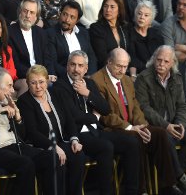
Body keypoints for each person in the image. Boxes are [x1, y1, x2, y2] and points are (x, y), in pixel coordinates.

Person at [92, 48, 186, 195]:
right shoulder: (97, 80)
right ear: (109, 62)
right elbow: (105, 115)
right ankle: (140, 190)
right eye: (118, 66)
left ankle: (168, 185)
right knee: (136, 138)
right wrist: (130, 127)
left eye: (125, 66)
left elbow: (136, 107)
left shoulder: (126, 80)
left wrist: (142, 125)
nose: (122, 70)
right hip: (113, 129)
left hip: (133, 126)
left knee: (159, 134)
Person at [53, 50, 141, 195]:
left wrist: (87, 93)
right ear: (67, 66)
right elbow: (73, 116)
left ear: (86, 68)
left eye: (80, 66)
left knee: (131, 141)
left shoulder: (90, 83)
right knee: (105, 147)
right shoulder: (60, 86)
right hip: (78, 134)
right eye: (73, 65)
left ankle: (132, 191)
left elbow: (105, 109)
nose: (76, 69)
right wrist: (94, 117)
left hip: (96, 131)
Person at [0, 68, 60, 195]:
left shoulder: (7, 101)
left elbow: (23, 135)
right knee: (26, 164)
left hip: (16, 145)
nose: (13, 91)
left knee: (51, 158)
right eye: (9, 86)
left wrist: (18, 116)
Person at [135, 45, 186, 194]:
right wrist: (166, 125)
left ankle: (178, 175)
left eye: (166, 61)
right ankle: (176, 178)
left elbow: (182, 105)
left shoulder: (176, 78)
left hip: (173, 124)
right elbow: (144, 109)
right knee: (166, 138)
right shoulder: (143, 78)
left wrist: (179, 124)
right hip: (155, 128)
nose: (161, 64)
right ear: (154, 60)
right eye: (159, 60)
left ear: (172, 63)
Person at [17, 65, 85, 195]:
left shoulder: (56, 94)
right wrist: (52, 146)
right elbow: (32, 132)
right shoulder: (24, 101)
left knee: (78, 155)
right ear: (27, 83)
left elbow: (69, 120)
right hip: (40, 146)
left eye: (41, 82)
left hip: (61, 142)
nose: (38, 87)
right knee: (57, 159)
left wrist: (74, 139)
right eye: (33, 83)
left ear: (47, 81)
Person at [8, 0, 53, 97]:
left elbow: (47, 58)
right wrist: (35, 76)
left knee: (58, 85)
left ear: (36, 17)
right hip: (22, 77)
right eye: (25, 11)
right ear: (20, 12)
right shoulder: (10, 32)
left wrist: (48, 74)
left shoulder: (41, 33)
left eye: (32, 12)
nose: (28, 15)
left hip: (41, 76)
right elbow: (15, 62)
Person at [47, 0, 97, 77]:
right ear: (60, 14)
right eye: (65, 14)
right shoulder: (51, 34)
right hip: (64, 78)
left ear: (77, 20)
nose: (67, 20)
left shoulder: (83, 33)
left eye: (72, 17)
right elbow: (53, 63)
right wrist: (73, 76)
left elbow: (91, 57)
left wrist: (89, 75)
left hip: (85, 78)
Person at [89, 0, 130, 69]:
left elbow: (130, 52)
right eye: (105, 6)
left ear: (119, 10)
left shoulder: (124, 27)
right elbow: (102, 56)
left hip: (124, 69)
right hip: (106, 70)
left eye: (112, 7)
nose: (108, 10)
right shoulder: (96, 28)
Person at [128, 0, 162, 78]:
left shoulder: (156, 35)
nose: (142, 17)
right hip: (139, 75)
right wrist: (133, 75)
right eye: (139, 13)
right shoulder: (128, 33)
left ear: (151, 20)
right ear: (135, 15)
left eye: (146, 15)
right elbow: (132, 58)